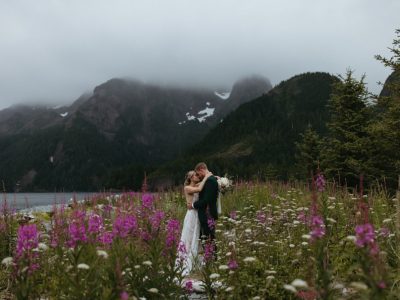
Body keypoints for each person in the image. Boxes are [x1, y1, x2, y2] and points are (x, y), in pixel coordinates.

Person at [179, 169, 212, 275]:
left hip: (197, 215)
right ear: (190, 178)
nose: (197, 176)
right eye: (195, 175)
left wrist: (215, 178)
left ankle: (197, 262)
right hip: (191, 215)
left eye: (198, 175)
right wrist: (206, 177)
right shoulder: (187, 187)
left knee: (197, 236)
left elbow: (203, 185)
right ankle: (185, 261)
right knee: (189, 237)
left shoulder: (197, 184)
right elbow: (199, 188)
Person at [188, 162, 219, 247]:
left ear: (201, 170)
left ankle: (212, 259)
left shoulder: (210, 181)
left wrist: (193, 205)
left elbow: (205, 201)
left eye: (198, 174)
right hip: (207, 214)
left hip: (207, 215)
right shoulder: (210, 179)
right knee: (208, 239)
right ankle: (210, 258)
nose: (198, 176)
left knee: (208, 240)